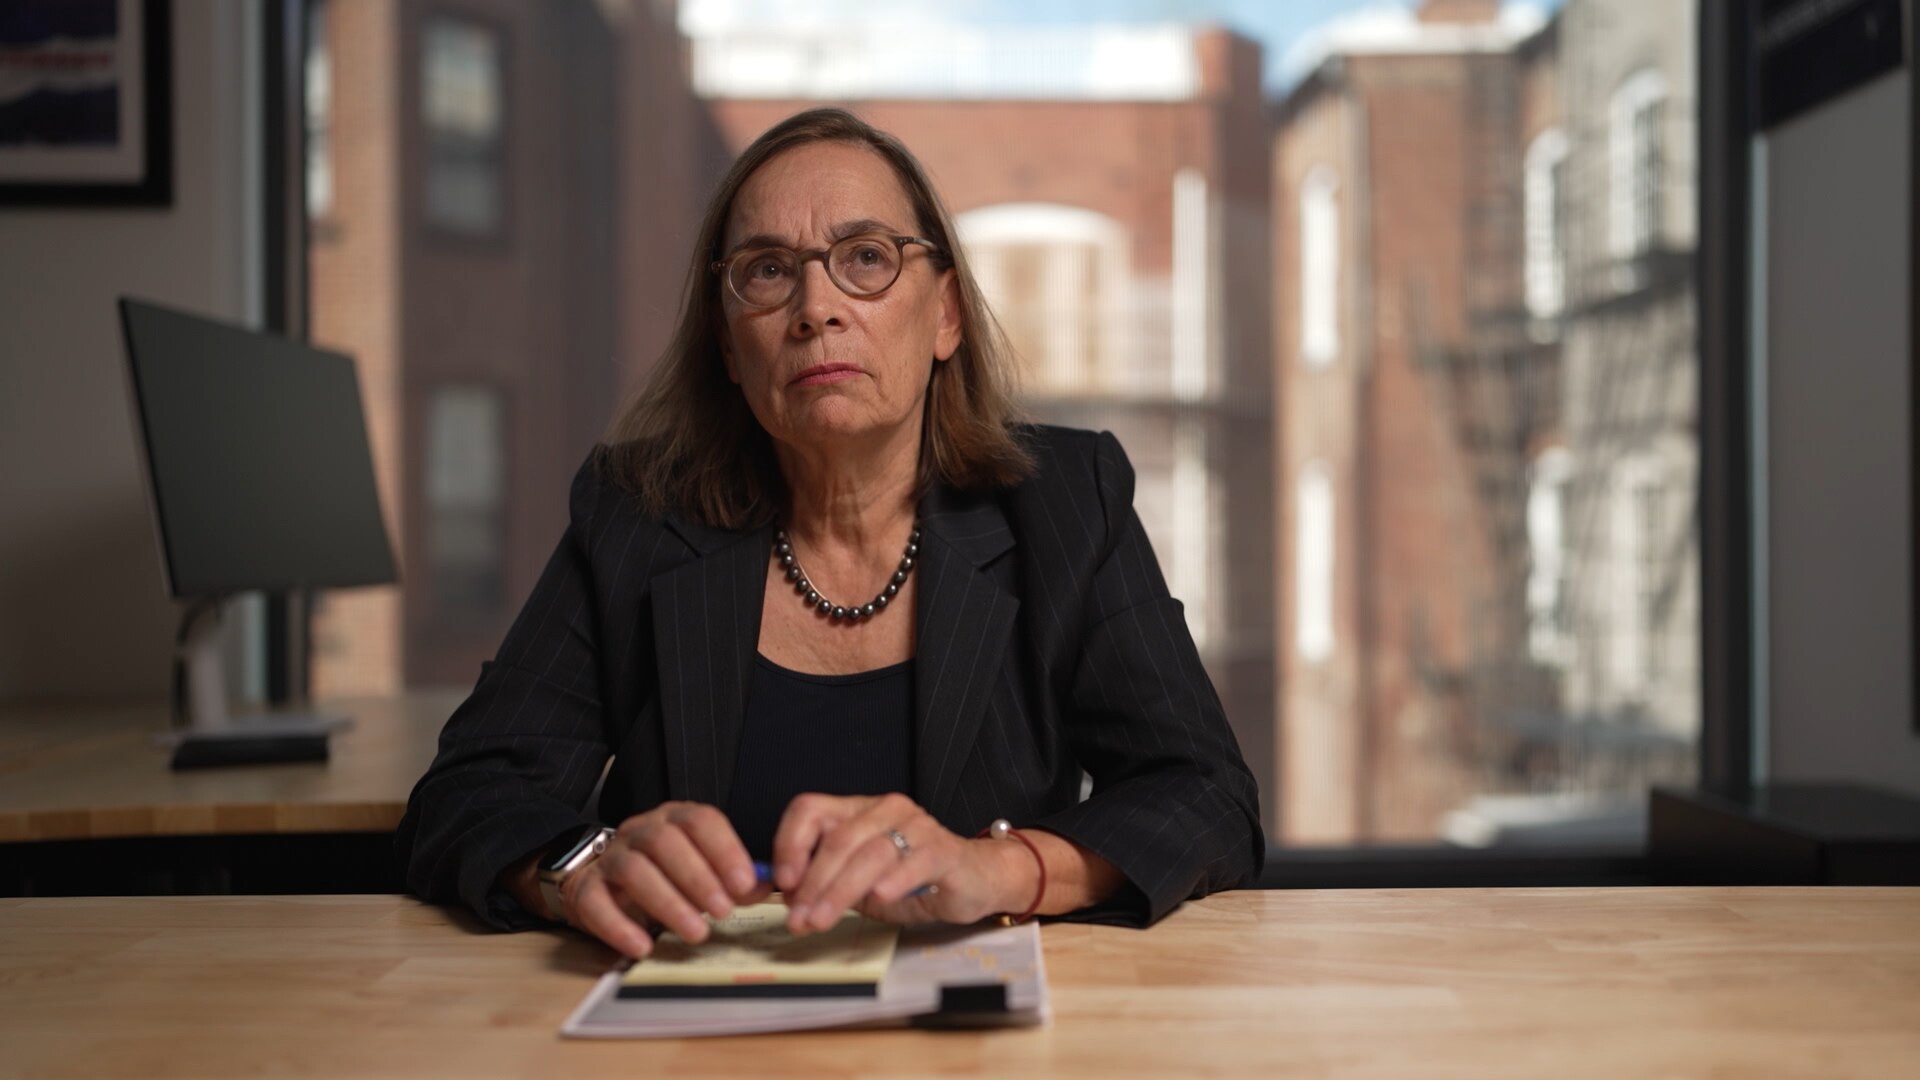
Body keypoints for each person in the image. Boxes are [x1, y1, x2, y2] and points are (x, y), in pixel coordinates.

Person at [396, 107, 1262, 958]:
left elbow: (1205, 795)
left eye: (866, 258)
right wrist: (582, 867)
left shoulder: (1066, 503)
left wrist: (997, 870)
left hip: (971, 1021)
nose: (816, 308)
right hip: (696, 1018)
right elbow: (469, 795)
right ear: (729, 348)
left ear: (947, 315)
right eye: (769, 271)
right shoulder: (636, 514)